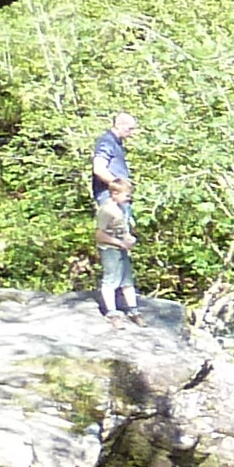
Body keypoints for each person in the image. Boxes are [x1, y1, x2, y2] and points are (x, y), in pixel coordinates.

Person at [89, 114, 139, 316]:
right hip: (111, 200)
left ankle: (127, 301)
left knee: (124, 243)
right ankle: (111, 305)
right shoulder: (106, 142)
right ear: (121, 126)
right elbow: (98, 168)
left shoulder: (116, 143)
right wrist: (117, 188)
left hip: (120, 200)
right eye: (131, 129)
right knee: (112, 245)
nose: (133, 133)